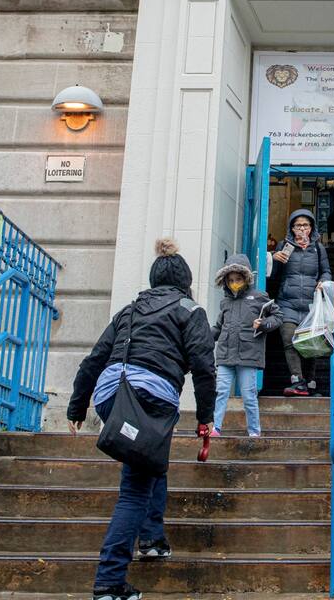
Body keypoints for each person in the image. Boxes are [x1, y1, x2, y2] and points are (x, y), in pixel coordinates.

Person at [66, 238, 216, 600]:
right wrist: (206, 418)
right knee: (134, 490)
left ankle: (151, 538)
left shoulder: (129, 310)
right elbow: (204, 368)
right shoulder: (190, 310)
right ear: (186, 281)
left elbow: (93, 359)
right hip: (148, 401)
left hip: (110, 396)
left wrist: (77, 407)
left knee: (150, 463)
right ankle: (109, 581)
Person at [211, 253, 280, 437]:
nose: (234, 282)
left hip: (248, 356)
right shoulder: (225, 301)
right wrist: (204, 338)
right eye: (231, 279)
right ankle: (215, 428)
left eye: (238, 279)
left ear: (246, 278)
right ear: (225, 280)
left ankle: (254, 431)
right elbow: (218, 327)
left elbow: (277, 316)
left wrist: (265, 324)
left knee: (249, 396)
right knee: (221, 393)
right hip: (226, 354)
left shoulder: (259, 297)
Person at [272, 209, 330, 396]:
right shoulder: (284, 245)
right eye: (298, 225)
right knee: (289, 341)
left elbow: (326, 270)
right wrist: (273, 258)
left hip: (310, 305)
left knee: (311, 343)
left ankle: (311, 382)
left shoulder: (318, 248)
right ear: (292, 228)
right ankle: (298, 380)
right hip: (287, 303)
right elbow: (273, 276)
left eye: (306, 225)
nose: (302, 229)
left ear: (311, 227)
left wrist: (323, 281)